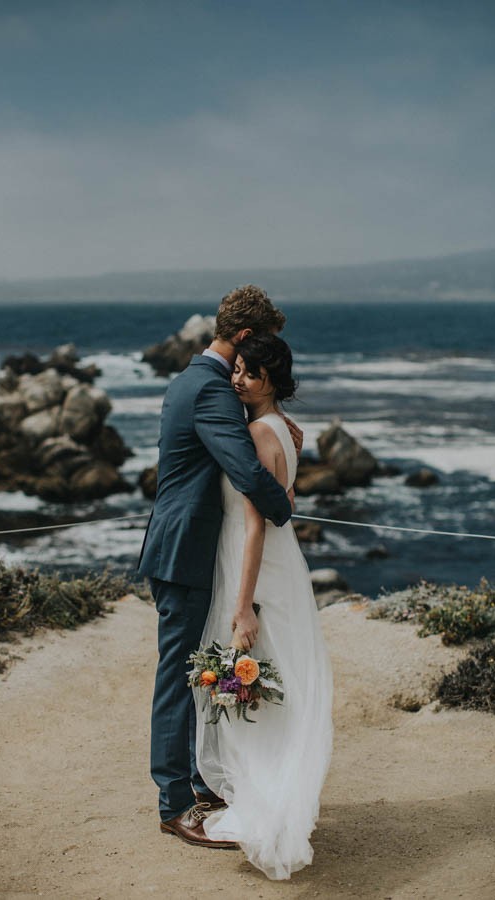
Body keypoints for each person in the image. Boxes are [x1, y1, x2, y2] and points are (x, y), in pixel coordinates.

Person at [138, 286, 302, 850]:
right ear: (241, 341)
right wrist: (286, 505)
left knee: (187, 673)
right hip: (184, 552)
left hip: (183, 546)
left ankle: (197, 785)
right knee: (176, 679)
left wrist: (273, 417)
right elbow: (248, 473)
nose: (256, 365)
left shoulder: (195, 381)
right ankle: (175, 804)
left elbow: (236, 441)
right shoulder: (210, 389)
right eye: (259, 350)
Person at [194, 333, 334, 879]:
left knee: (254, 686)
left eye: (248, 372)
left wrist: (244, 604)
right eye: (237, 370)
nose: (236, 379)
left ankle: (266, 807)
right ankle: (276, 797)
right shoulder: (286, 431)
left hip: (255, 569)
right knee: (275, 687)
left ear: (269, 379)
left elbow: (254, 524)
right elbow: (286, 503)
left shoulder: (256, 432)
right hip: (285, 566)